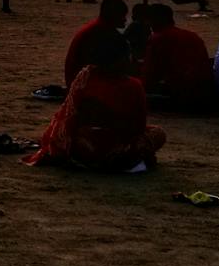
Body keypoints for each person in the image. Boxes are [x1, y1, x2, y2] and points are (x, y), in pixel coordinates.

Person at [25, 31, 166, 172]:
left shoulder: (85, 76)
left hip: (83, 145)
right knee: (157, 133)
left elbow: (68, 115)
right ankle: (118, 159)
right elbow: (138, 127)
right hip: (114, 147)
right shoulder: (133, 86)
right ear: (121, 58)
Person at [142, 4, 217, 112]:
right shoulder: (192, 36)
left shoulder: (158, 38)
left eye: (150, 21)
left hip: (180, 94)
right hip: (204, 92)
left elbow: (149, 74)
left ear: (155, 21)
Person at [64, 0, 129, 87]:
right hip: (83, 85)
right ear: (113, 15)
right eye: (122, 16)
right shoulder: (101, 33)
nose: (125, 20)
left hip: (79, 81)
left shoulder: (98, 28)